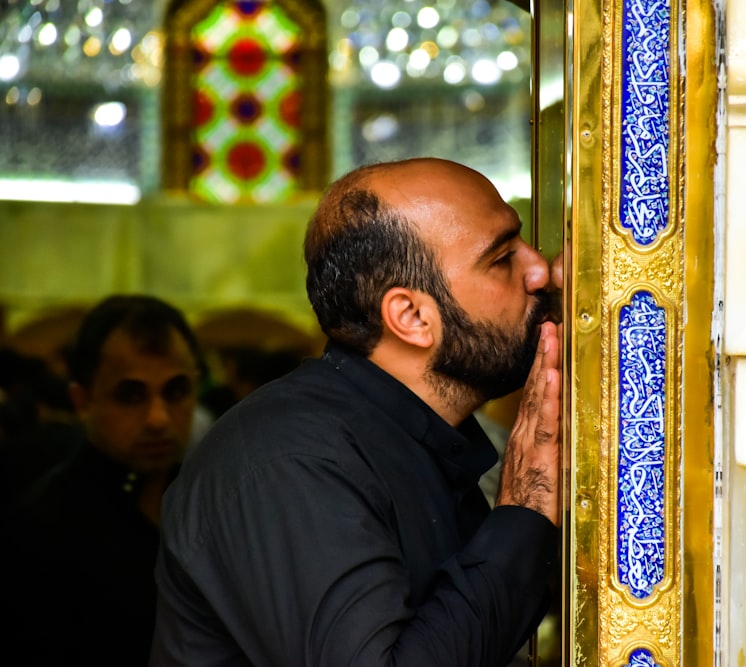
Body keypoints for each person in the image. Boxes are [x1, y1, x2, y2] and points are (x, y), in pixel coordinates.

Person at [150, 157, 563, 666]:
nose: (541, 270)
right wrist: (525, 507)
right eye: (502, 258)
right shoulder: (290, 460)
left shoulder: (414, 439)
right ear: (411, 317)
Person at [1, 295, 204, 666]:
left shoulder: (216, 509)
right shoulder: (37, 534)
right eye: (131, 395)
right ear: (82, 401)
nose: (158, 418)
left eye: (175, 391)